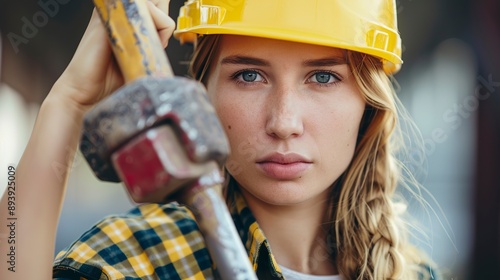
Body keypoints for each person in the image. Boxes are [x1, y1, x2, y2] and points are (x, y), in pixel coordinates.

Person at [0, 0, 439, 279]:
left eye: (322, 77)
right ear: (202, 89)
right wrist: (67, 103)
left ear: (368, 102)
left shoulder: (416, 274)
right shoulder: (136, 260)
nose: (283, 122)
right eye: (249, 76)